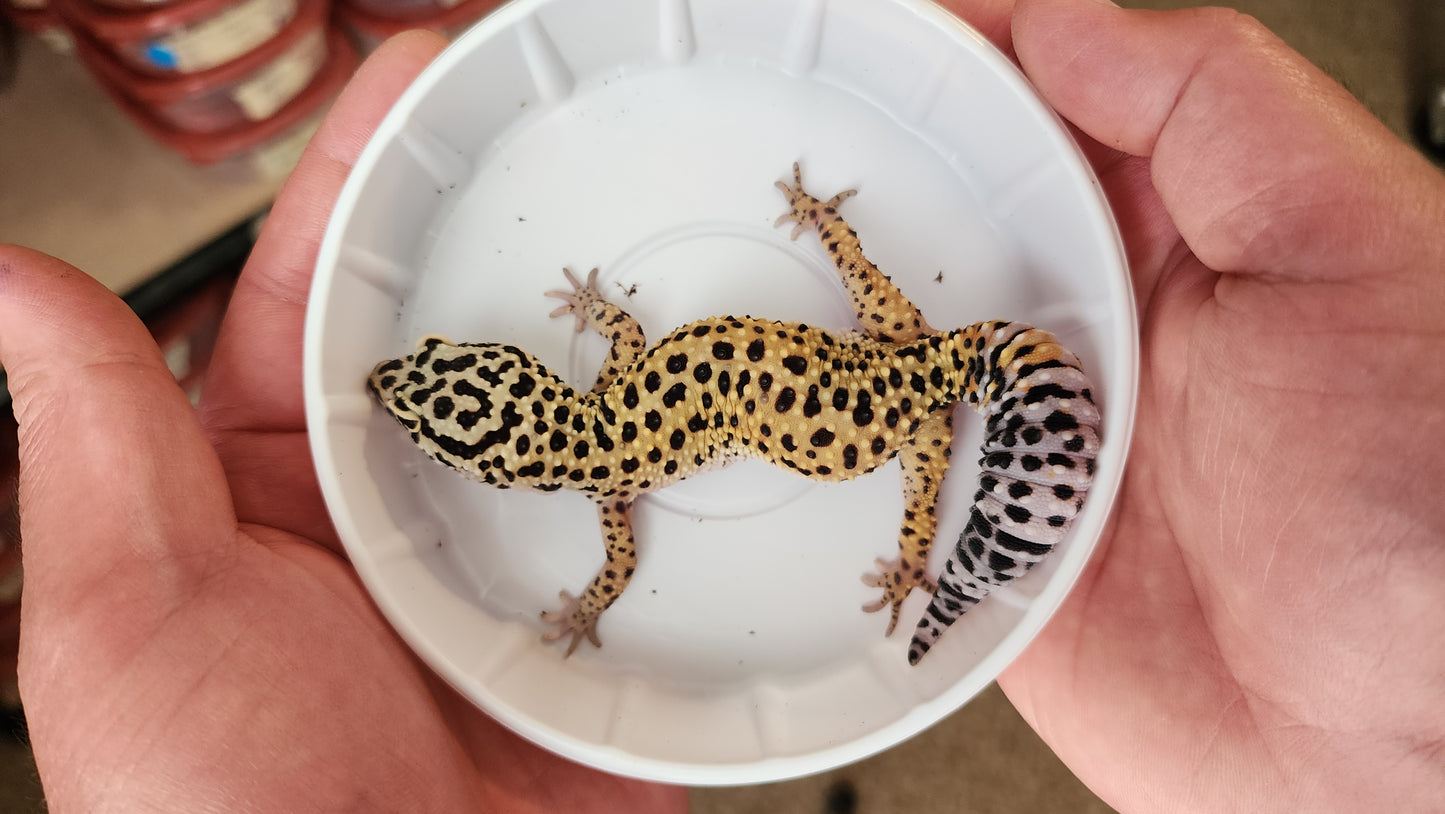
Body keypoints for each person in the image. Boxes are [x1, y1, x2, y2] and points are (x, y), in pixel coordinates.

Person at [1, 0, 1441, 809]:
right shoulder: (604, 402)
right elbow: (627, 368)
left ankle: (948, 539)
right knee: (915, 377)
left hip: (901, 398)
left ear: (520, 406)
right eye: (450, 403)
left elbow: (621, 554)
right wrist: (817, 233)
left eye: (448, 393)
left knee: (932, 429)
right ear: (512, 398)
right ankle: (946, 524)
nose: (442, 390)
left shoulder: (605, 473)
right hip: (895, 376)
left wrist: (586, 609)